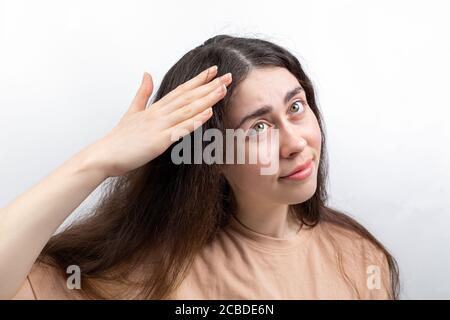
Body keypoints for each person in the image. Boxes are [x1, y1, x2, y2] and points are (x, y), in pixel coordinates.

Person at [1, 34, 399, 300]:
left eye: (296, 107)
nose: (296, 144)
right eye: (259, 127)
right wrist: (99, 159)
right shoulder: (144, 275)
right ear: (210, 157)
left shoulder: (359, 258)